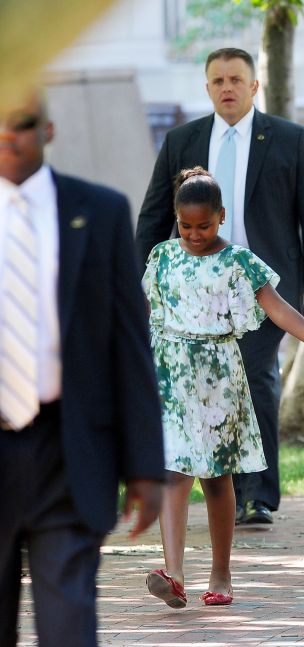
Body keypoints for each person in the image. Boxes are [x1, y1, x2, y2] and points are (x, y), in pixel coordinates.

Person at [136, 47, 304, 526]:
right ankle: (216, 481)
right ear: (207, 88)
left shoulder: (288, 138)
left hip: (259, 284)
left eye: (236, 79)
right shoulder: (183, 139)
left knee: (254, 378)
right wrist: (138, 285)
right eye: (218, 80)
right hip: (194, 289)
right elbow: (154, 217)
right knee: (204, 391)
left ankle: (257, 495)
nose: (227, 87)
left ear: (253, 86)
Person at [0, 91, 165, 646]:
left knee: (70, 624)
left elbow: (129, 343)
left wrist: (145, 464)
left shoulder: (98, 212)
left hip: (69, 451)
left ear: (46, 129)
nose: (7, 136)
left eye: (20, 124)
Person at [142, 168, 304, 609]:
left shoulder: (238, 261)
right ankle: (174, 572)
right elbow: (141, 311)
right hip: (170, 377)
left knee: (217, 478)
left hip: (217, 378)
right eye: (185, 226)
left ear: (221, 217)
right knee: (173, 472)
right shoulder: (163, 256)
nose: (193, 235)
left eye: (203, 225)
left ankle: (221, 572)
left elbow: (279, 310)